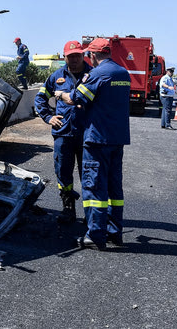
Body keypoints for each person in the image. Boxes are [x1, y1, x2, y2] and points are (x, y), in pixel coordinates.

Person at [55, 38, 131, 250]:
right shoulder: (123, 74)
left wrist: (61, 94)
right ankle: (115, 233)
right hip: (117, 140)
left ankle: (95, 235)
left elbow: (77, 99)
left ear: (94, 55)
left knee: (94, 187)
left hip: (97, 140)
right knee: (114, 188)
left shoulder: (97, 74)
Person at [34, 40, 91, 223]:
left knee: (89, 175)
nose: (74, 60)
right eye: (70, 56)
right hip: (63, 135)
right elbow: (41, 98)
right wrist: (48, 117)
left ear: (83, 56)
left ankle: (91, 215)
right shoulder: (56, 77)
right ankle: (68, 209)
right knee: (63, 172)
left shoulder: (94, 75)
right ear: (64, 57)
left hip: (88, 135)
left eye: (78, 56)